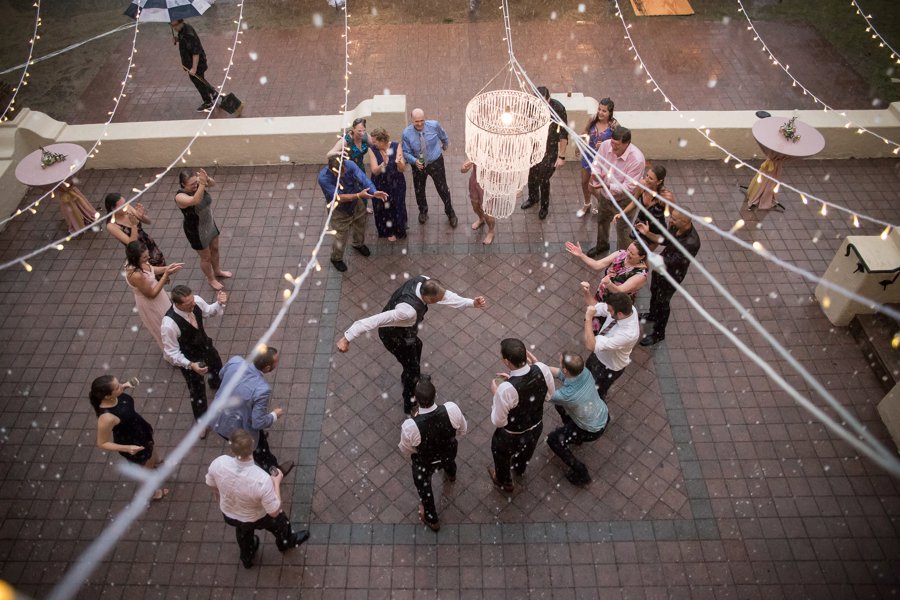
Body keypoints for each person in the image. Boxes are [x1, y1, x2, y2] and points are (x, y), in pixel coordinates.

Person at [336, 276, 487, 414]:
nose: (439, 301)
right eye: (435, 301)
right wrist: (347, 337)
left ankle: (412, 374)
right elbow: (375, 320)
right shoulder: (407, 311)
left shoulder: (423, 281)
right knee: (411, 369)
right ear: (427, 297)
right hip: (394, 337)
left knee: (417, 346)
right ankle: (409, 403)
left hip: (407, 333)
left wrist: (471, 303)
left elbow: (445, 296)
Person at [206, 429, 310, 569]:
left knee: (243, 533)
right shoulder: (261, 479)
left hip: (230, 514)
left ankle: (247, 557)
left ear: (232, 448)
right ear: (252, 446)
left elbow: (211, 484)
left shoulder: (219, 463)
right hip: (257, 516)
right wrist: (277, 482)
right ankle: (286, 542)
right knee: (281, 523)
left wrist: (221, 499)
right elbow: (274, 510)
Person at [398, 375, 468, 532]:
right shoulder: (451, 409)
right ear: (435, 394)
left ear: (415, 399)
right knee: (449, 461)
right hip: (448, 453)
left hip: (425, 463)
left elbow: (406, 450)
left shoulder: (410, 427)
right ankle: (451, 474)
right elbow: (463, 431)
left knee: (424, 487)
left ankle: (431, 517)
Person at [211, 347, 294, 477]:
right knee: (261, 450)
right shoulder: (262, 389)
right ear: (267, 368)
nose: (278, 363)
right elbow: (257, 422)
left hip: (216, 418)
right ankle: (273, 471)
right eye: (276, 362)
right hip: (239, 428)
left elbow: (222, 374)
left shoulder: (236, 361)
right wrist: (274, 415)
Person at [487, 338, 555, 493]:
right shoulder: (542, 369)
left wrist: (496, 394)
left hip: (511, 435)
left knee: (501, 456)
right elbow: (549, 396)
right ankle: (519, 468)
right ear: (526, 355)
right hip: (536, 426)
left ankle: (504, 481)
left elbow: (498, 421)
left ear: (506, 361)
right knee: (527, 450)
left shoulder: (505, 389)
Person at [535, 350, 610, 486]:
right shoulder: (585, 372)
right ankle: (575, 437)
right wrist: (539, 367)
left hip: (591, 429)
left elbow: (546, 395)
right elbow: (559, 373)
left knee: (553, 440)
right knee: (560, 407)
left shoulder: (566, 395)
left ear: (566, 370)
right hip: (602, 414)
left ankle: (581, 472)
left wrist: (534, 376)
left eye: (560, 361)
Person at [161, 284, 227, 437]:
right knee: (197, 392)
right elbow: (171, 352)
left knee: (218, 369)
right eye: (188, 303)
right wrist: (190, 365)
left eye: (192, 300)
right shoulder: (169, 325)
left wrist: (219, 303)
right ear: (177, 304)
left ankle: (217, 386)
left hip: (206, 347)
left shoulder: (195, 301)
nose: (193, 304)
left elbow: (209, 312)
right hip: (189, 359)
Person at [90, 375, 169, 501]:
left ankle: (156, 463)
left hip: (140, 430)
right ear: (107, 396)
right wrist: (127, 448)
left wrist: (126, 385)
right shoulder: (106, 418)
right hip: (132, 441)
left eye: (119, 383)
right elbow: (102, 443)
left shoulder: (115, 396)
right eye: (117, 387)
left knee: (151, 450)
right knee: (145, 470)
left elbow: (121, 396)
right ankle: (153, 493)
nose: (121, 385)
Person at [637, 208, 701, 346]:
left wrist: (652, 258)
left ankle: (659, 334)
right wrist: (647, 233)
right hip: (660, 269)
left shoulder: (691, 242)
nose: (670, 220)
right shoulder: (675, 226)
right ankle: (652, 315)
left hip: (672, 276)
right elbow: (664, 239)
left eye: (674, 219)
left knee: (663, 303)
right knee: (654, 293)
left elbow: (674, 262)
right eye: (671, 217)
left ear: (685, 222)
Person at [318, 155, 388, 273]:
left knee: (360, 225)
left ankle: (358, 244)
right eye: (338, 174)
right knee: (341, 236)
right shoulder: (323, 178)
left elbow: (363, 178)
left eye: (343, 171)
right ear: (330, 169)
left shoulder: (350, 164)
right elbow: (338, 197)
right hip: (338, 210)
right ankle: (336, 258)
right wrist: (358, 195)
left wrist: (374, 191)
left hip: (356, 203)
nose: (342, 175)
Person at [586, 126, 646, 258]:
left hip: (624, 201)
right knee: (602, 221)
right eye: (612, 143)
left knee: (623, 230)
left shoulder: (637, 160)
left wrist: (605, 183)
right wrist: (596, 175)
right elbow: (597, 162)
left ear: (627, 143)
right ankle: (602, 245)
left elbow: (628, 188)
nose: (612, 147)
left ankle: (622, 256)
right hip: (605, 196)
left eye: (617, 145)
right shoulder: (606, 145)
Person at [175, 168, 232, 291]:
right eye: (191, 184)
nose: (195, 186)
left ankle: (217, 271)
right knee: (206, 257)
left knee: (215, 249)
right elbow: (195, 200)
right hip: (196, 230)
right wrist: (201, 183)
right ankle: (211, 279)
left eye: (196, 182)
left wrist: (206, 178)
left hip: (209, 223)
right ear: (183, 184)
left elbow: (212, 184)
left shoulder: (198, 185)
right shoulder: (180, 197)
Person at [401, 108, 458, 227]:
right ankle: (423, 211)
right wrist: (414, 161)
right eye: (417, 121)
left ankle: (450, 213)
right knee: (419, 189)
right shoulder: (406, 133)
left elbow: (443, 136)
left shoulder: (434, 125)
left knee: (443, 188)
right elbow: (405, 152)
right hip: (418, 164)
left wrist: (445, 145)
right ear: (412, 120)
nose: (420, 123)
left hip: (435, 162)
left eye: (422, 120)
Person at [124, 241, 183, 352]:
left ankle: (179, 344)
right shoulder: (136, 275)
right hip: (151, 303)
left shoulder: (136, 262)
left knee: (172, 320)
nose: (149, 257)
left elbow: (150, 269)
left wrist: (167, 268)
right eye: (145, 257)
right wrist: (165, 275)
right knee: (164, 326)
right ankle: (173, 353)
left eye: (147, 254)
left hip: (159, 294)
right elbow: (151, 294)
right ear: (136, 258)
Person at [520, 86, 568, 221]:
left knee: (544, 178)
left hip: (550, 147)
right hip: (534, 146)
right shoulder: (530, 106)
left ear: (549, 99)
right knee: (532, 174)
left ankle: (544, 206)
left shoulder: (558, 109)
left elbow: (564, 133)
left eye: (542, 103)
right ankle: (533, 198)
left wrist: (562, 156)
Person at [582, 291, 641, 399]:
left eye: (610, 311)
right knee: (587, 374)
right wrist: (586, 292)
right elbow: (596, 307)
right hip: (599, 354)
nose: (608, 311)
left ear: (619, 314)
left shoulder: (627, 334)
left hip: (608, 367)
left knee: (596, 394)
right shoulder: (626, 309)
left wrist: (588, 318)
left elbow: (591, 346)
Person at [565, 240, 649, 304]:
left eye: (632, 253)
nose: (627, 253)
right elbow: (597, 265)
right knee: (596, 314)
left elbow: (620, 291)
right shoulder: (620, 254)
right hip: (603, 294)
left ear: (642, 256)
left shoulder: (641, 275)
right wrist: (581, 255)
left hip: (617, 304)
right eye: (628, 249)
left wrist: (608, 283)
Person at [617, 164, 674, 253]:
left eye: (651, 178)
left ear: (659, 182)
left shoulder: (666, 197)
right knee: (634, 250)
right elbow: (634, 202)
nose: (646, 179)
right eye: (647, 175)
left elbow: (673, 216)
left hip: (655, 228)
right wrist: (622, 213)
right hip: (641, 222)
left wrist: (671, 233)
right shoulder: (642, 185)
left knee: (645, 254)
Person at [577, 98, 618, 218]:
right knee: (584, 182)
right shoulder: (593, 119)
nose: (600, 112)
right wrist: (580, 143)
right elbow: (585, 132)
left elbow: (619, 143)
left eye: (604, 111)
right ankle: (587, 203)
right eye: (599, 109)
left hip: (601, 161)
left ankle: (604, 204)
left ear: (610, 112)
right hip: (588, 156)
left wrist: (608, 144)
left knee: (594, 187)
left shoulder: (614, 125)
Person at [105, 193, 166, 269]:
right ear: (113, 209)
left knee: (160, 263)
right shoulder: (112, 225)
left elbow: (148, 222)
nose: (126, 206)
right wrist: (133, 225)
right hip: (138, 252)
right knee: (150, 271)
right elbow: (131, 243)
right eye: (122, 206)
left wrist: (142, 216)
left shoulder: (128, 207)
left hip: (148, 242)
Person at [367, 128, 408, 240]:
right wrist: (383, 164)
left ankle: (399, 229)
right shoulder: (372, 150)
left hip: (396, 182)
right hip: (380, 183)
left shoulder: (396, 146)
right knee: (383, 207)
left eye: (375, 141)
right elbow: (375, 170)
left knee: (397, 205)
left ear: (382, 141)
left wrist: (399, 163)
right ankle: (388, 231)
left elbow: (402, 169)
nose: (373, 143)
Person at [171, 19, 218, 112]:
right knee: (200, 79)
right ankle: (213, 92)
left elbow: (195, 53)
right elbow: (186, 43)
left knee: (198, 81)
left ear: (181, 22)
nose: (174, 28)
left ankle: (208, 102)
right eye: (172, 25)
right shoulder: (182, 30)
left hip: (197, 63)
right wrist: (177, 39)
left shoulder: (188, 34)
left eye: (175, 25)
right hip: (190, 63)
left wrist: (194, 68)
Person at [327, 117, 373, 213]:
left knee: (363, 185)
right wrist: (339, 153)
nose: (362, 133)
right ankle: (351, 209)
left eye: (363, 130)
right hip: (348, 168)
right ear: (353, 129)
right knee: (351, 188)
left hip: (360, 166)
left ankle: (364, 207)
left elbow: (374, 145)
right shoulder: (345, 141)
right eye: (359, 131)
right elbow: (329, 154)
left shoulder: (365, 137)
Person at [462, 160, 495, 245]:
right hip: (475, 182)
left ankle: (491, 231)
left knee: (488, 213)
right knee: (475, 206)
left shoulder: (496, 152)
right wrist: (465, 167)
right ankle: (481, 219)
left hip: (489, 185)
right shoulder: (476, 150)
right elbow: (462, 170)